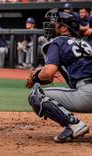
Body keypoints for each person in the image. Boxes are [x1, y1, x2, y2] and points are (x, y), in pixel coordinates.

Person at [27, 9, 92, 143]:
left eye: (54, 23)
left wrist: (37, 77)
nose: (50, 26)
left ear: (63, 28)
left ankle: (73, 125)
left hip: (87, 95)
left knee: (36, 95)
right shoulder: (87, 44)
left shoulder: (59, 41)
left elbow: (49, 73)